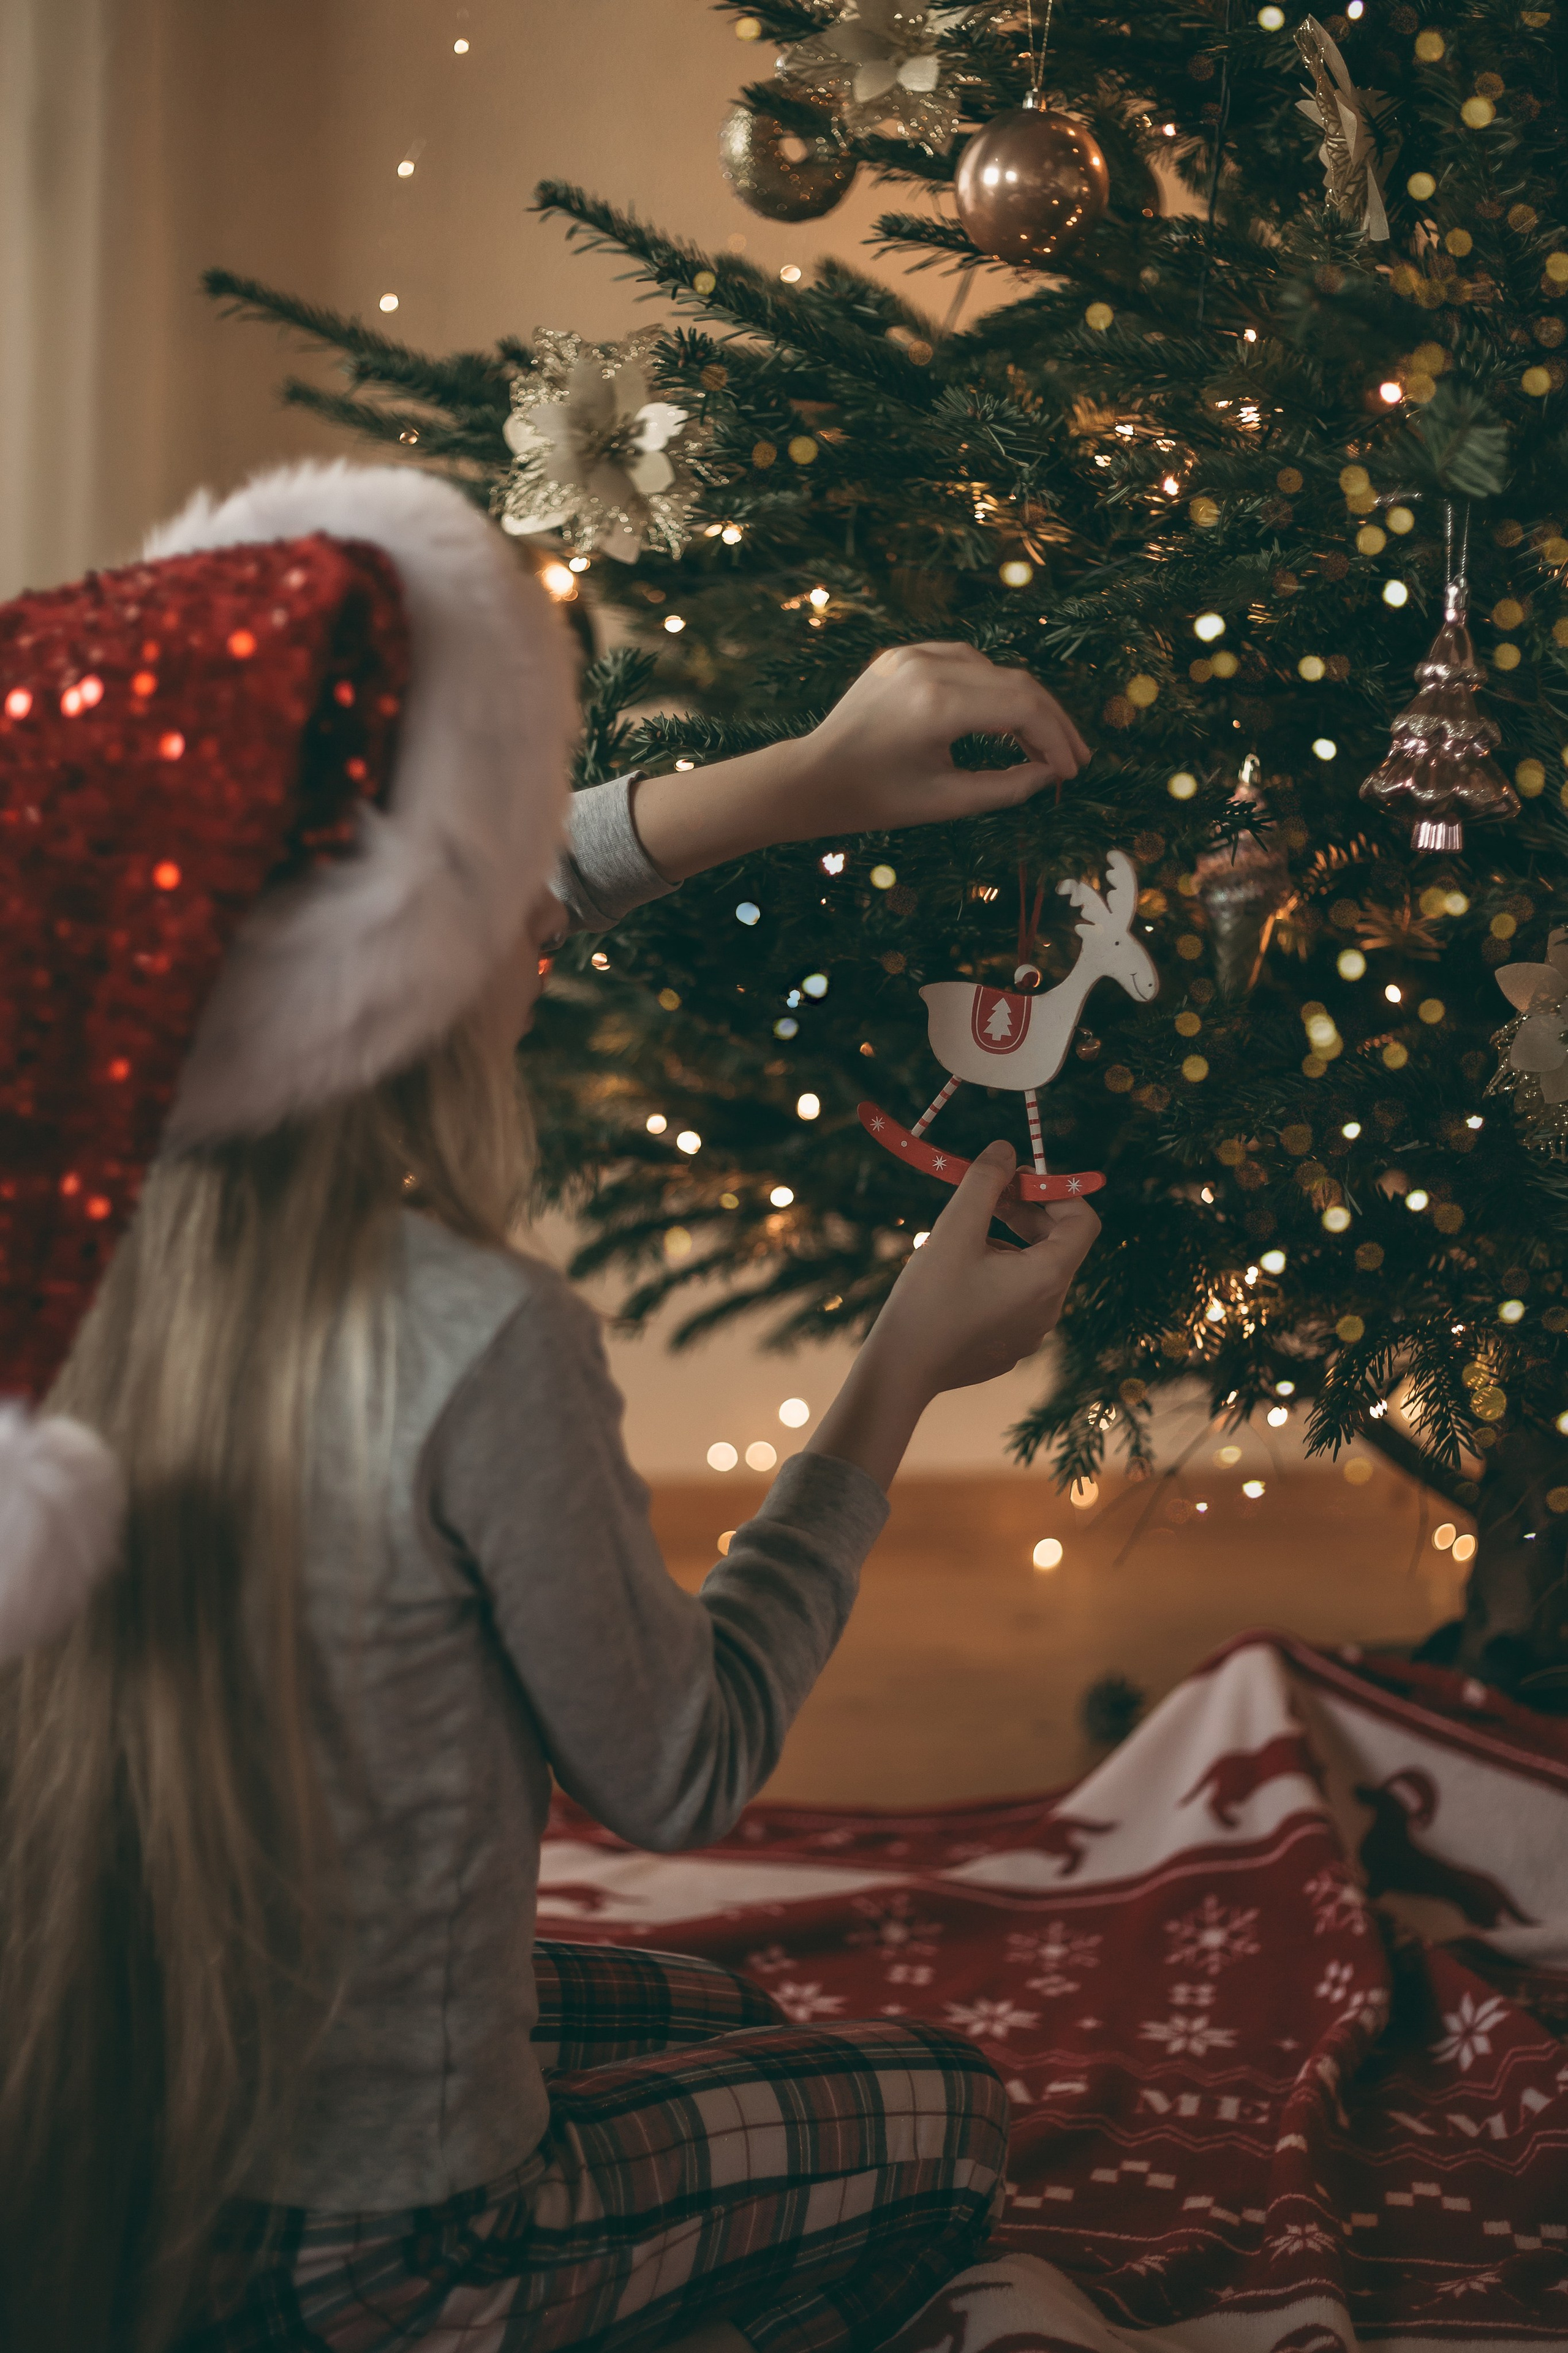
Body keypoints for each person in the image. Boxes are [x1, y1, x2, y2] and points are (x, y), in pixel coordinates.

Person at [0, 463, 1099, 2353]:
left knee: (727, 2018)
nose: (541, 912)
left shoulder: (62, 1205)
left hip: (118, 2163)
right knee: (944, 2099)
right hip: (395, 2258)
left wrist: (803, 781)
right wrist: (901, 1364)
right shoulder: (471, 1338)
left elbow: (388, 898)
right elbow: (678, 1767)